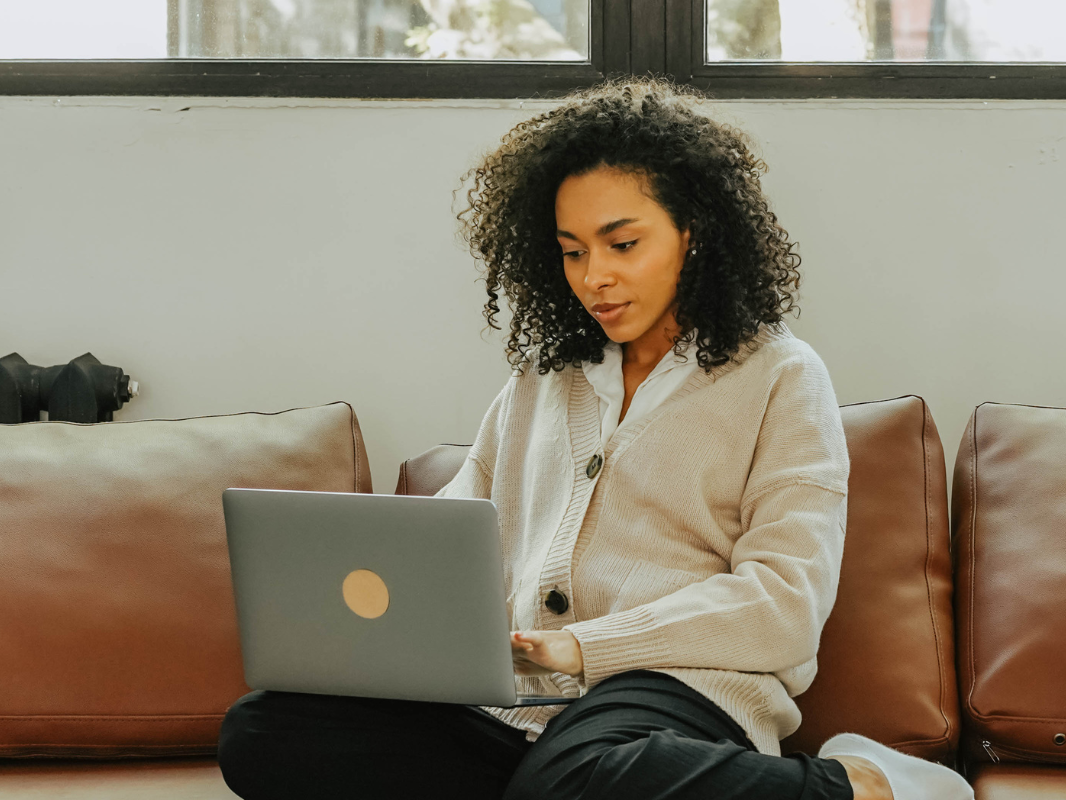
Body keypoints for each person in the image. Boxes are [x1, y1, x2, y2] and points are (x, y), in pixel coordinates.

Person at [217, 75, 974, 800]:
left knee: (575, 777)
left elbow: (784, 606)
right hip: (514, 706)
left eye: (622, 244)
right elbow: (449, 540)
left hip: (679, 688)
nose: (594, 278)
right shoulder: (542, 379)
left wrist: (587, 647)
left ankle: (859, 787)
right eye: (573, 251)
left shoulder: (781, 376)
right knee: (264, 732)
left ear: (692, 231)